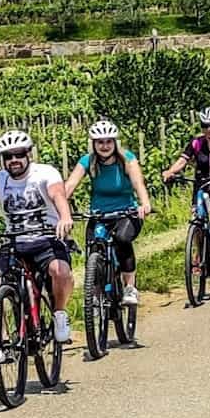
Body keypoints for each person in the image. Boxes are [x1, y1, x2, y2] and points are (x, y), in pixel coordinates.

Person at [0, 130, 77, 343]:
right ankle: (1, 339)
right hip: (14, 242)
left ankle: (59, 314)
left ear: (28, 154)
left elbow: (58, 194)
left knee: (61, 272)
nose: (14, 160)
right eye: (8, 156)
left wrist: (65, 217)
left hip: (47, 239)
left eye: (19, 154)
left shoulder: (45, 173)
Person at [65, 120, 154, 307]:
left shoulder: (127, 159)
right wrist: (61, 208)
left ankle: (129, 287)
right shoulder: (88, 161)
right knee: (93, 248)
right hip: (99, 215)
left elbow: (138, 183)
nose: (104, 146)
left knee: (122, 239)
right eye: (100, 142)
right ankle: (95, 294)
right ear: (94, 144)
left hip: (126, 213)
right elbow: (70, 185)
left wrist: (144, 203)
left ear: (115, 142)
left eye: (108, 142)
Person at [160, 105, 210, 272]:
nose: (209, 129)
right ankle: (199, 254)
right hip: (201, 187)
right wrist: (171, 171)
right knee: (197, 219)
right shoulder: (196, 143)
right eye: (205, 126)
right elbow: (182, 161)